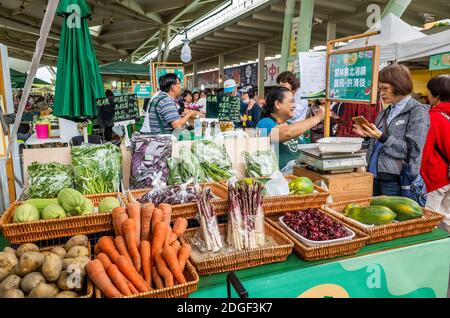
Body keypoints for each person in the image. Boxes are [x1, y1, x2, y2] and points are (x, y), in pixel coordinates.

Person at [353, 63, 429, 196]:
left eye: (385, 88)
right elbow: (378, 143)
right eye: (379, 89)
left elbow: (413, 150)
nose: (381, 93)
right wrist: (367, 136)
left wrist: (381, 137)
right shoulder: (385, 112)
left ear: (399, 85)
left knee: (393, 216)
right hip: (374, 174)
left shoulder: (417, 111)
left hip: (396, 180)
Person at [256, 86, 324, 171]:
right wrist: (318, 117)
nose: (294, 105)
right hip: (279, 181)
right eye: (291, 102)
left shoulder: (292, 126)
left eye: (294, 102)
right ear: (277, 104)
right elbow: (285, 133)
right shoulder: (264, 123)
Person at [420, 75, 450, 232]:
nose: (427, 96)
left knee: (430, 220)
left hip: (437, 176)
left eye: (429, 92)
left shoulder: (433, 117)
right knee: (447, 215)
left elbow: (424, 151)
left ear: (437, 96)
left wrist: (416, 173)